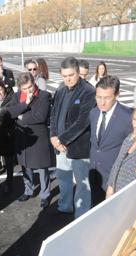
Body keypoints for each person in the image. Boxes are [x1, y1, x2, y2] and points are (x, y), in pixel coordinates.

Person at [49, 56, 96, 217]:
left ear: (78, 72)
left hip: (78, 148)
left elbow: (83, 122)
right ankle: (65, 206)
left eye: (71, 75)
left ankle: (81, 215)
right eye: (64, 76)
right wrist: (53, 137)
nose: (68, 79)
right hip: (59, 145)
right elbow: (54, 114)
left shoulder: (88, 92)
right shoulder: (61, 90)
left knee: (82, 183)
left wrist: (61, 139)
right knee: (64, 178)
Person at [7, 72, 54, 207]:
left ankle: (45, 194)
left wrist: (21, 116)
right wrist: (25, 104)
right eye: (25, 88)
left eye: (30, 87)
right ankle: (28, 190)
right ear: (20, 88)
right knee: (25, 166)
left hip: (38, 138)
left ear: (34, 83)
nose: (28, 91)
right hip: (22, 138)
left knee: (42, 168)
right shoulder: (16, 96)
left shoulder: (44, 95)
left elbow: (40, 117)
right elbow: (10, 112)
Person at [89, 76, 133, 206]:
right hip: (95, 173)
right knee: (95, 210)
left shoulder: (128, 117)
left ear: (116, 95)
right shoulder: (93, 113)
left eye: (107, 98)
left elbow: (132, 150)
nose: (102, 102)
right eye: (98, 97)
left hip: (114, 178)